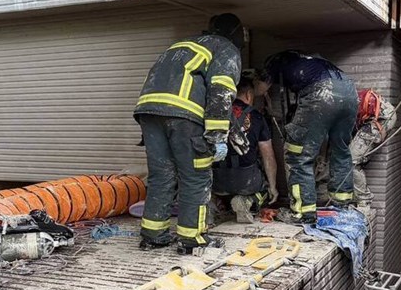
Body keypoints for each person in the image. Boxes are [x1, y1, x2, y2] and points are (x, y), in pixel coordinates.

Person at [134, 13, 243, 253]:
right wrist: (216, 136)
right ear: (237, 35)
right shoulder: (226, 48)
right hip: (184, 115)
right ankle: (192, 239)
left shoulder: (181, 46)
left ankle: (153, 236)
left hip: (149, 111)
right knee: (195, 177)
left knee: (161, 176)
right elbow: (221, 91)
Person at [263, 50, 358, 224]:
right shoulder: (314, 62)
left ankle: (302, 213)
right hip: (350, 93)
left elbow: (262, 86)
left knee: (297, 156)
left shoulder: (280, 65)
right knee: (341, 150)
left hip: (322, 93)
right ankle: (341, 203)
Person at [212, 73, 278, 223]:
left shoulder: (215, 115)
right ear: (249, 94)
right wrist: (273, 187)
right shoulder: (257, 117)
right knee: (265, 189)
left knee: (215, 187)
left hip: (217, 180)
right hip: (246, 180)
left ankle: (212, 202)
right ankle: (246, 202)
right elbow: (268, 157)